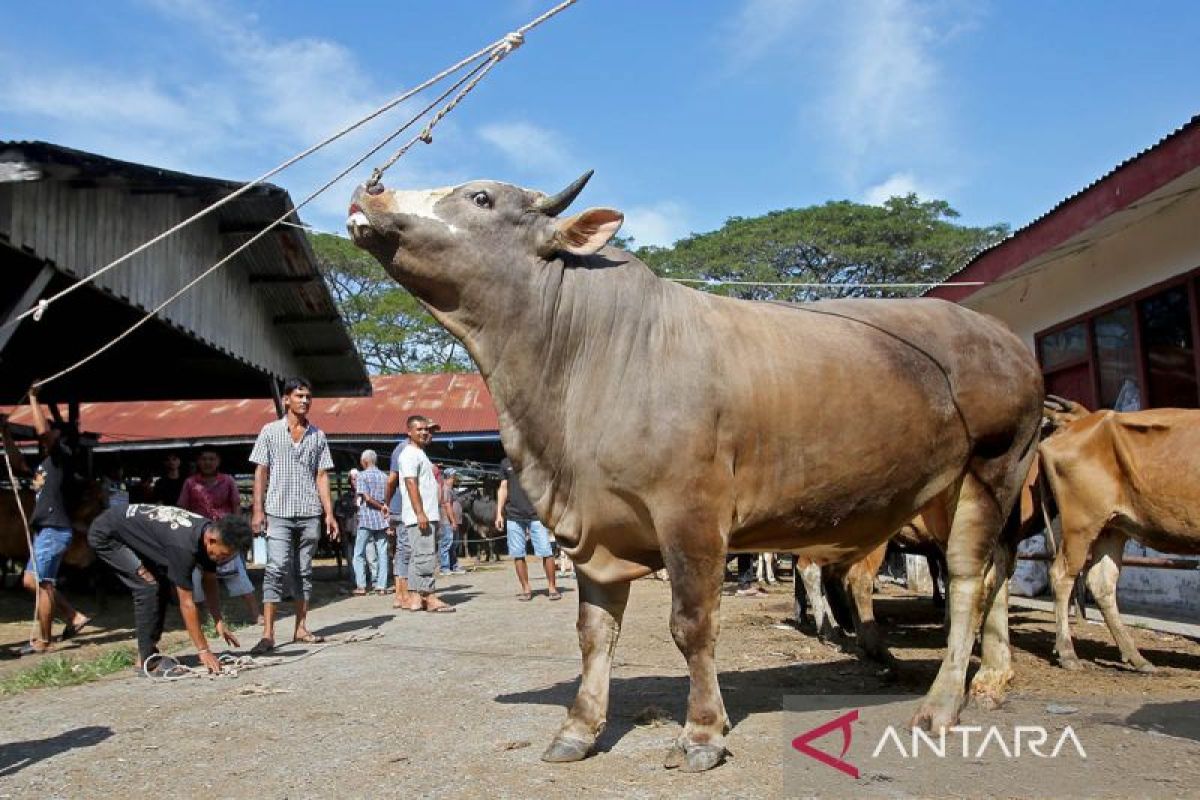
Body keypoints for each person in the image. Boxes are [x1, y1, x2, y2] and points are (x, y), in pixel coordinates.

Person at [87, 504, 250, 674]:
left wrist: (218, 621)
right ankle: (147, 661)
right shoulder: (184, 546)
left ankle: (146, 654)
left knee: (161, 584)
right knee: (148, 587)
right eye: (222, 555)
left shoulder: (209, 536)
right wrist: (204, 651)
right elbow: (187, 603)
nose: (221, 560)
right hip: (107, 535)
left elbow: (209, 579)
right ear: (211, 540)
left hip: (130, 531)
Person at [248, 377, 338, 654]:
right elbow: (260, 471)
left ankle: (301, 628)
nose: (304, 401)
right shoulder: (270, 431)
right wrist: (257, 510)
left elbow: (322, 475)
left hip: (309, 512)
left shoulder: (318, 435)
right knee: (275, 568)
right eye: (299, 396)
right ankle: (268, 634)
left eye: (308, 397)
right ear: (286, 399)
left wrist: (329, 513)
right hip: (278, 512)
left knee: (303, 571)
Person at [3, 389, 92, 656]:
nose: (43, 437)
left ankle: (44, 640)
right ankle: (73, 616)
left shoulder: (61, 458)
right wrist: (5, 432)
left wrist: (32, 397)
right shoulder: (43, 465)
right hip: (45, 532)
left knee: (39, 582)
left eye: (50, 433)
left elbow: (43, 432)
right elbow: (17, 462)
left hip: (54, 530)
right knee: (34, 581)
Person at [177, 447, 261, 623]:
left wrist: (237, 531)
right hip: (200, 537)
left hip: (226, 535)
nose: (208, 462)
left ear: (218, 461)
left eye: (211, 459)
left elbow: (236, 505)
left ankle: (256, 615)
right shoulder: (191, 483)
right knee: (196, 578)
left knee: (239, 575)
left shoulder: (228, 480)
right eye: (204, 459)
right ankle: (207, 619)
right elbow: (182, 508)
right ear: (199, 462)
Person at [387, 415, 454, 613]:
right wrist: (420, 512)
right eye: (420, 429)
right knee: (425, 556)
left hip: (425, 513)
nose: (425, 432)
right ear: (409, 432)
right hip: (421, 514)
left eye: (427, 429)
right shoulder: (409, 454)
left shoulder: (419, 453)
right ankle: (430, 596)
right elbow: (410, 482)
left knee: (418, 556)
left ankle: (416, 598)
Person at [495, 457, 560, 601]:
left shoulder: (536, 459)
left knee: (546, 551)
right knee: (518, 554)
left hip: (536, 514)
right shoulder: (506, 462)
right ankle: (526, 589)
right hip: (513, 515)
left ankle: (552, 587)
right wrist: (499, 513)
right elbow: (503, 487)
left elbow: (549, 485)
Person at [352, 450, 390, 596]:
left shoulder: (362, 476)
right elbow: (387, 498)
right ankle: (382, 586)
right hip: (382, 519)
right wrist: (383, 508)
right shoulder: (384, 476)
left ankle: (361, 586)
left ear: (365, 461)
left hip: (367, 519)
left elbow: (366, 498)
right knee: (382, 552)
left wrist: (380, 506)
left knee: (358, 553)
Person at [438, 468, 466, 576]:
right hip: (447, 522)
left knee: (453, 545)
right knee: (446, 544)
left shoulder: (451, 489)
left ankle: (453, 566)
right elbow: (447, 505)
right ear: (450, 477)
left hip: (453, 522)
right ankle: (444, 567)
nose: (456, 478)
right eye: (454, 476)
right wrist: (453, 521)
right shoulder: (446, 489)